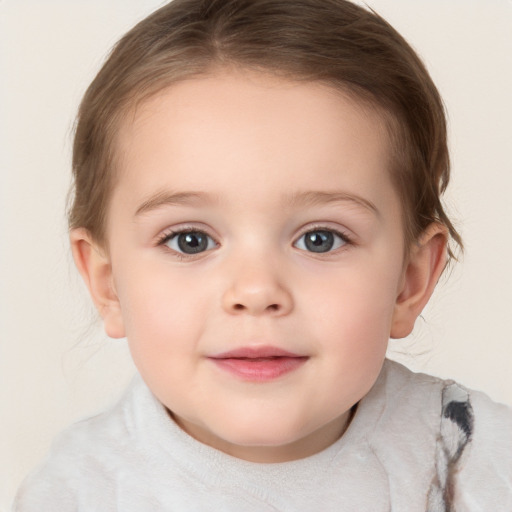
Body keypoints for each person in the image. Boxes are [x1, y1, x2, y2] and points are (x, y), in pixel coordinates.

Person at [13, 0, 512, 510]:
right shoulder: (77, 492)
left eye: (321, 238)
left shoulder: (469, 460)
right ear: (107, 283)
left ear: (409, 281)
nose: (255, 291)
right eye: (191, 240)